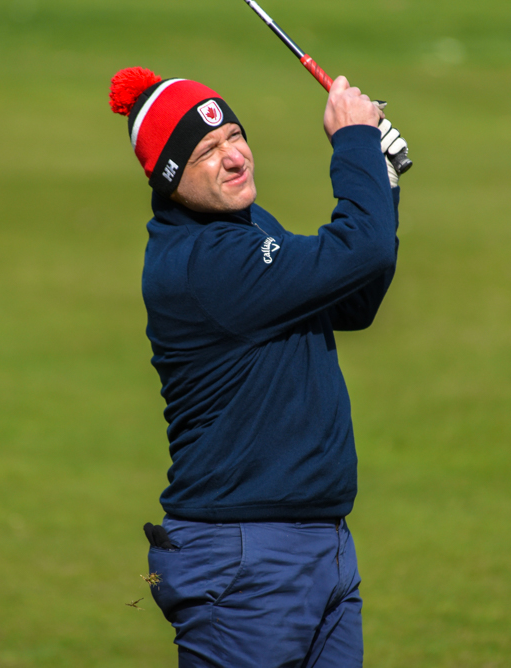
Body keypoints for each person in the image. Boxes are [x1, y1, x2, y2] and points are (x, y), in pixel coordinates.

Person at [109, 66, 406, 667]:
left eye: (235, 136)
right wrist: (354, 143)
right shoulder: (206, 261)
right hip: (244, 561)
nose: (234, 156)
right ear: (169, 179)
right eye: (206, 152)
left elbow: (353, 299)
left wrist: (383, 181)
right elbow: (361, 249)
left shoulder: (240, 226)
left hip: (316, 547)